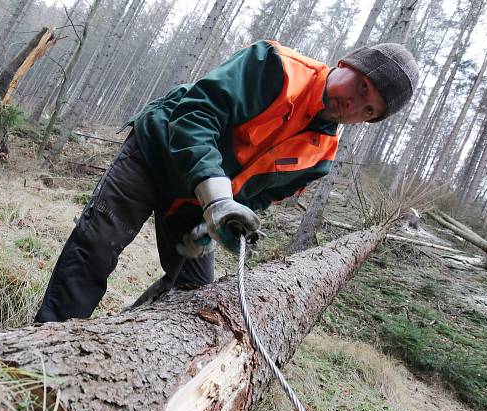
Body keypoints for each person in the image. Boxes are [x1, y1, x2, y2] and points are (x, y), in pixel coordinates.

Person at [35, 39, 418, 323]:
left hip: (199, 202)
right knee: (98, 244)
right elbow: (195, 116)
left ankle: (116, 340)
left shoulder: (321, 157)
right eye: (362, 87)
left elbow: (258, 197)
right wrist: (216, 196)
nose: (353, 105)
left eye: (369, 110)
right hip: (156, 152)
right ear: (347, 64)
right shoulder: (276, 67)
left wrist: (221, 226)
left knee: (193, 297)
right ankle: (45, 345)